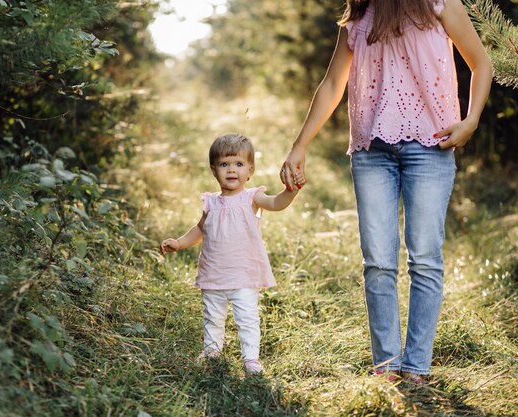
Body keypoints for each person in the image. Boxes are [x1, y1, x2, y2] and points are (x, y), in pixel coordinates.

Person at [280, 0, 492, 383]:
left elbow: (481, 63)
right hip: (370, 152)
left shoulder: (439, 5)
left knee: (424, 256)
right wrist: (300, 145)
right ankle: (388, 367)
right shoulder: (359, 17)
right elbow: (332, 85)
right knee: (378, 261)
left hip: (431, 148)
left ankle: (416, 367)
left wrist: (471, 120)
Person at [161, 133, 302, 375]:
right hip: (214, 272)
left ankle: (251, 359)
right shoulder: (211, 203)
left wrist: (292, 190)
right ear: (214, 170)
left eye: (238, 164)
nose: (231, 170)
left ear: (250, 169)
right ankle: (212, 351)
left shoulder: (252, 198)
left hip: (244, 273)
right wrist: (180, 243)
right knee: (213, 316)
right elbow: (199, 230)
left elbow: (276, 203)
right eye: (224, 164)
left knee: (246, 318)